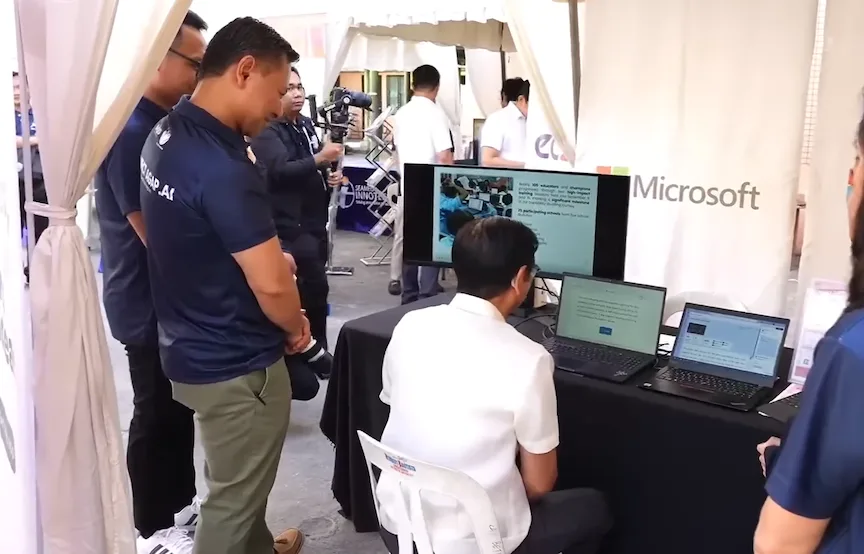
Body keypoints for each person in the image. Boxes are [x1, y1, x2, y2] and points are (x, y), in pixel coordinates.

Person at [139, 17, 309, 554]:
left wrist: (262, 257)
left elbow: (197, 232)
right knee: (231, 506)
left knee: (234, 482)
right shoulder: (224, 164)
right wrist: (297, 324)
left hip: (188, 344)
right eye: (279, 90)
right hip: (237, 364)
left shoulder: (167, 133)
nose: (281, 106)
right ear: (245, 70)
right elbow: (276, 291)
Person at [377, 217, 612, 554]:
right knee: (594, 508)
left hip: (398, 524)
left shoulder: (410, 324)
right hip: (475, 543)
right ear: (520, 279)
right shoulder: (528, 358)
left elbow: (393, 403)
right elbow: (540, 483)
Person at [94, 11, 207, 554]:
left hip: (165, 299)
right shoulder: (132, 128)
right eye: (195, 64)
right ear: (159, 58)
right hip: (144, 301)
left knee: (174, 407)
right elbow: (153, 233)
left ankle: (179, 512)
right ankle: (150, 528)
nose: (198, 76)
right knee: (156, 411)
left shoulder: (160, 122)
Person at [753, 112, 864, 554]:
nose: (850, 178)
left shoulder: (853, 350)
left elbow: (780, 544)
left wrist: (785, 462)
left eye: (858, 160)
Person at [250, 65, 342, 399]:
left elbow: (311, 168)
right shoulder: (267, 131)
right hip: (289, 228)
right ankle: (301, 357)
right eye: (289, 88)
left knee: (318, 294)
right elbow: (280, 171)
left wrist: (328, 174)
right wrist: (320, 159)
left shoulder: (305, 126)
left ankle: (320, 354)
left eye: (301, 86)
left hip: (314, 224)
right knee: (303, 292)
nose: (298, 93)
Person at [391, 64, 453, 304]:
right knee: (431, 243)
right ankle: (427, 295)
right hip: (431, 185)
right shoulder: (436, 114)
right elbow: (444, 156)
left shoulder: (402, 114)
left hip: (409, 184)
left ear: (411, 84)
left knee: (410, 242)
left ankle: (409, 293)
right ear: (437, 87)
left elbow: (398, 150)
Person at [13, 71, 48, 271]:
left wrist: (24, 141)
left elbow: (51, 137)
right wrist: (35, 140)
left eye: (19, 87)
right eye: (12, 88)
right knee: (11, 230)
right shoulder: (6, 115)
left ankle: (35, 271)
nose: (16, 92)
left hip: (39, 180)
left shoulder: (40, 114)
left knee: (40, 230)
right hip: (12, 182)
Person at [481, 79, 529, 168]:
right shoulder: (497, 119)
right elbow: (488, 160)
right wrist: (526, 166)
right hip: (510, 179)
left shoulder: (536, 120)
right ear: (522, 100)